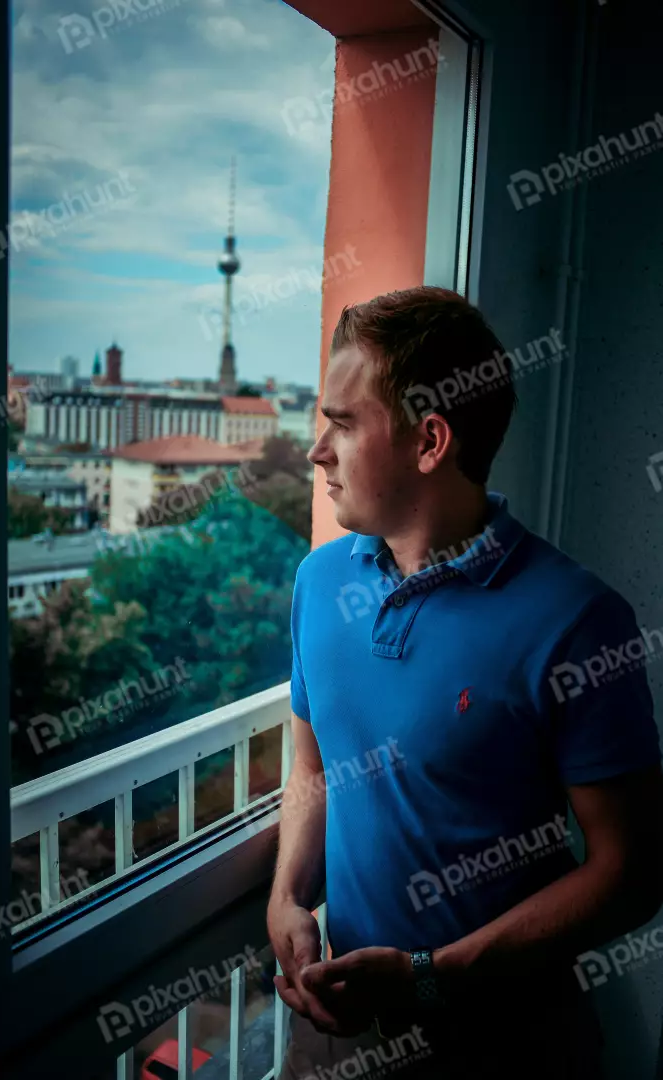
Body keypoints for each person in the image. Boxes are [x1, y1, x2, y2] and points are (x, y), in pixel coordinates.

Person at [266, 286, 663, 1079]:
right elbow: (314, 770)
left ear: (429, 441)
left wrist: (430, 976)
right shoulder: (318, 584)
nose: (316, 451)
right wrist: (285, 898)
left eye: (342, 424)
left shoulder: (576, 620)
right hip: (342, 1025)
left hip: (510, 1044)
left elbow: (631, 872)